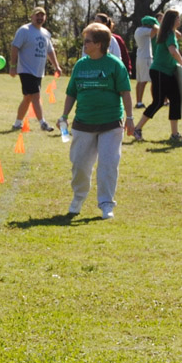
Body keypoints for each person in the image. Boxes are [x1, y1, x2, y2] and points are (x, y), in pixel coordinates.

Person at [57, 22, 134, 220]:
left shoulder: (115, 65)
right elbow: (71, 92)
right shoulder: (80, 65)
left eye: (88, 41)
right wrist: (64, 116)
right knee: (80, 165)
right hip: (83, 123)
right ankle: (78, 198)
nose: (84, 44)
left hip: (111, 123)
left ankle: (107, 204)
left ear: (99, 44)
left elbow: (125, 92)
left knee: (108, 165)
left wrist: (130, 118)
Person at [133, 9, 182, 142]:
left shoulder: (169, 32)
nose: (180, 20)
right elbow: (173, 51)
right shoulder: (168, 33)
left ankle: (174, 134)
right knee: (158, 102)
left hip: (169, 71)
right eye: (178, 18)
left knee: (175, 100)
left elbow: (178, 40)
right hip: (160, 71)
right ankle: (137, 129)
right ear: (172, 20)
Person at [10, 6, 62, 131]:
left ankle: (17, 123)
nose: (39, 18)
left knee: (27, 98)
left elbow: (50, 50)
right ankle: (43, 123)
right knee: (36, 96)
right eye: (37, 15)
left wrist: (56, 66)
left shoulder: (45, 33)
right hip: (26, 70)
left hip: (38, 71)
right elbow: (15, 47)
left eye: (42, 16)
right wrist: (12, 66)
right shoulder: (24, 30)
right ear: (32, 16)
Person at [134, 16, 159, 109]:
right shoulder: (144, 30)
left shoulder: (139, 30)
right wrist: (155, 25)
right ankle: (143, 102)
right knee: (145, 81)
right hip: (146, 58)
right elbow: (157, 29)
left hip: (140, 57)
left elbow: (153, 35)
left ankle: (139, 101)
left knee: (140, 81)